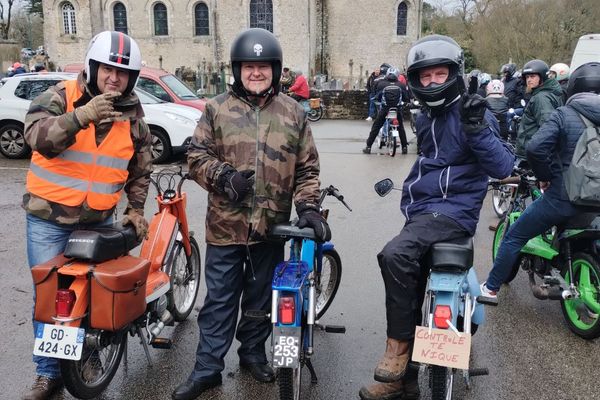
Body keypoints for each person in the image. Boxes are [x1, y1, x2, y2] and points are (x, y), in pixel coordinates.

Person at [173, 27, 330, 400]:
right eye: (248, 66)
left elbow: (307, 169)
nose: (255, 73)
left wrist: (308, 206)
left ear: (274, 70)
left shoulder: (293, 113)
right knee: (220, 302)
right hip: (225, 227)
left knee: (260, 301)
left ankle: (252, 355)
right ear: (237, 69)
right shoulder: (216, 109)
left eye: (263, 66)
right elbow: (196, 157)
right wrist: (223, 176)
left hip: (270, 227)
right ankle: (207, 368)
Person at [358, 34, 513, 400]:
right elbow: (430, 162)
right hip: (424, 211)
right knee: (409, 277)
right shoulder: (425, 116)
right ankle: (404, 381)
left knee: (395, 255)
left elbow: (504, 164)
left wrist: (477, 130)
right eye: (424, 77)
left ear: (454, 74)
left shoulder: (474, 111)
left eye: (439, 75)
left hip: (452, 212)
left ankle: (397, 352)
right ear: (414, 79)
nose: (431, 83)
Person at [21, 31, 152, 400]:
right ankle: (48, 374)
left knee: (95, 296)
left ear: (133, 78)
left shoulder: (132, 112)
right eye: (108, 69)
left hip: (98, 218)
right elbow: (37, 137)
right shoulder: (60, 96)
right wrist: (81, 116)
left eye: (123, 72)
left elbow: (140, 166)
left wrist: (136, 208)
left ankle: (87, 358)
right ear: (93, 67)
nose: (114, 77)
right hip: (48, 218)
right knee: (49, 297)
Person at [480, 62, 600, 303]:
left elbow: (536, 148)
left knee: (515, 235)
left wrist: (544, 176)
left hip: (564, 198)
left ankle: (491, 288)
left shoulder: (565, 114)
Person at [514, 59, 564, 158]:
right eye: (527, 77)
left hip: (533, 154)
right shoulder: (547, 93)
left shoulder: (541, 98)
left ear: (542, 77)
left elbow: (547, 128)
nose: (529, 80)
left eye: (533, 76)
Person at [362, 67, 409, 155]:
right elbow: (406, 98)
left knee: (376, 126)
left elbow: (378, 97)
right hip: (397, 109)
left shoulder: (381, 84)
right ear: (397, 75)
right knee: (401, 128)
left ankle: (368, 147)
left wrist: (377, 100)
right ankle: (404, 147)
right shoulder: (401, 85)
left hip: (385, 109)